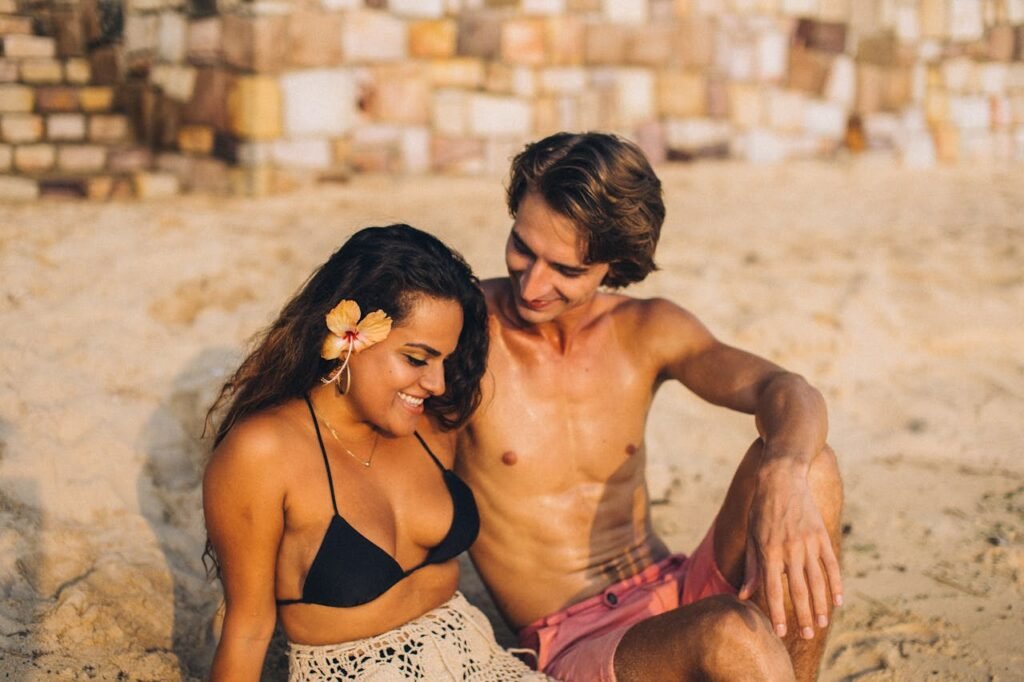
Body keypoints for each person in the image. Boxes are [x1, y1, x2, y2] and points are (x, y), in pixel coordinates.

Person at [456, 132, 844, 682]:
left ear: (615, 262)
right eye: (523, 246)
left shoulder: (646, 329)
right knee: (732, 633)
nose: (533, 284)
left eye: (565, 270)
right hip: (575, 639)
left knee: (814, 466)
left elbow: (787, 390)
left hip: (678, 592)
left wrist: (783, 470)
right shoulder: (461, 331)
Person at [202, 225, 551, 681]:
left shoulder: (426, 426)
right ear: (349, 335)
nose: (438, 383)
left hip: (486, 664)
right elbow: (247, 631)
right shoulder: (263, 452)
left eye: (444, 360)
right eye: (416, 358)